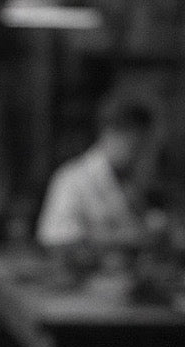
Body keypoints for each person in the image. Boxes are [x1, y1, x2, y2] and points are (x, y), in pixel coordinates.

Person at [36, 99, 158, 248]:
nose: (139, 156)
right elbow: (55, 238)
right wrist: (120, 238)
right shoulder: (71, 179)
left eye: (143, 148)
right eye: (135, 147)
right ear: (110, 134)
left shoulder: (131, 182)